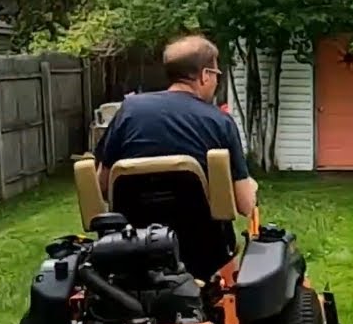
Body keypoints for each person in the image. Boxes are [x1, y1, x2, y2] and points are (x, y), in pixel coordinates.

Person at [93, 34, 257, 218]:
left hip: (132, 241)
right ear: (205, 75)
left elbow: (103, 185)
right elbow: (245, 205)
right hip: (204, 244)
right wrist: (251, 188)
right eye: (216, 74)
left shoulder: (129, 110)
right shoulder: (220, 121)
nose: (216, 81)